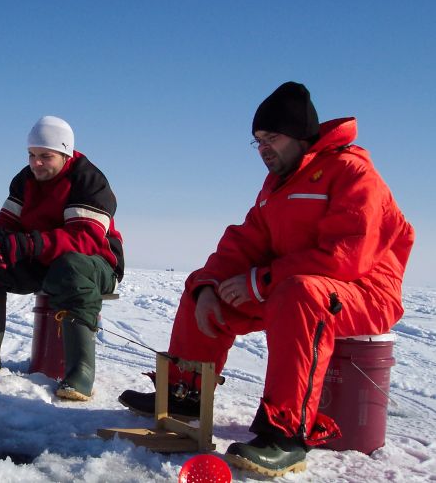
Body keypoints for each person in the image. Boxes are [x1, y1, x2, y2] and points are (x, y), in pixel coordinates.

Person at [118, 82, 414, 476]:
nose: (262, 148)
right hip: (290, 288)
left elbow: (350, 254)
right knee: (203, 291)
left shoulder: (353, 173)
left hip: (365, 292)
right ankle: (185, 394)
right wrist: (209, 283)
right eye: (257, 140)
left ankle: (287, 434)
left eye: (271, 137)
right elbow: (244, 242)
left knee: (301, 293)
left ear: (301, 135)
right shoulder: (277, 188)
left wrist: (262, 281)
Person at [0, 115, 124, 401]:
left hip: (96, 265)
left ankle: (79, 372)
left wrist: (30, 244)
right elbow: (6, 223)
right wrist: (0, 244)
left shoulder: (87, 180)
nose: (36, 163)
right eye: (32, 155)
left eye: (46, 156)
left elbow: (85, 239)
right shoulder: (25, 180)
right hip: (44, 260)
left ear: (65, 153)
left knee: (70, 267)